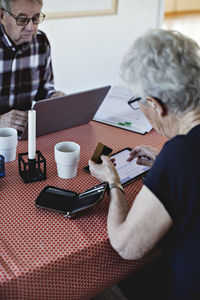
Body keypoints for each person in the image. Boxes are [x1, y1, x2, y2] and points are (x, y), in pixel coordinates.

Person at [89, 29, 200, 300]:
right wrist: (166, 164)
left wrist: (113, 182)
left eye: (138, 101)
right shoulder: (179, 157)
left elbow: (126, 246)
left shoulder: (180, 155)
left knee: (92, 289)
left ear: (155, 104)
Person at [0, 0, 65, 132]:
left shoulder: (41, 42)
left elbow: (44, 89)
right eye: (22, 19)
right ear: (2, 16)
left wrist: (55, 98)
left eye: (35, 18)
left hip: (26, 133)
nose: (31, 27)